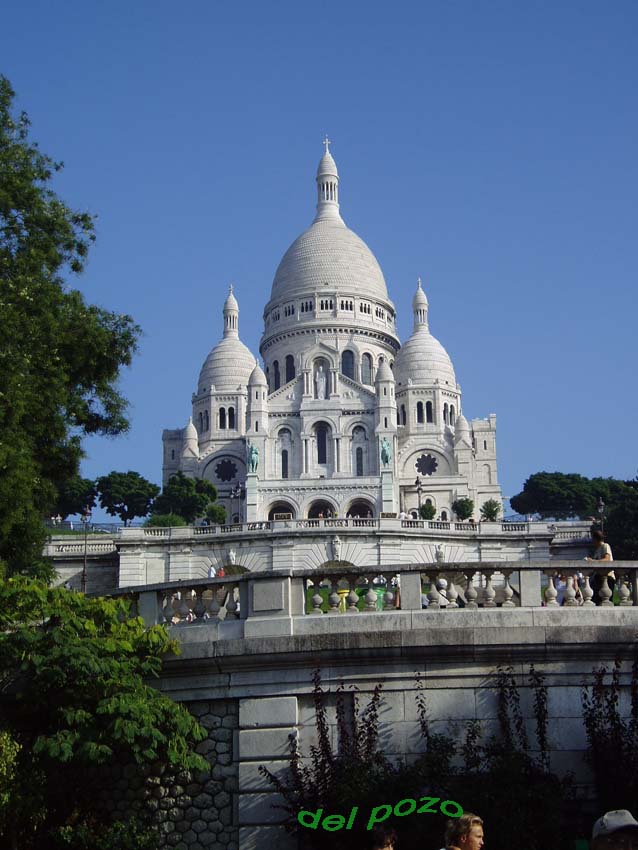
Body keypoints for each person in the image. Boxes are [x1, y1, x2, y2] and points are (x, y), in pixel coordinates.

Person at [585, 529, 615, 604]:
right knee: (596, 601)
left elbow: (607, 559)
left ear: (596, 539)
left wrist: (593, 561)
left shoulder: (605, 546)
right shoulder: (597, 550)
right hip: (598, 578)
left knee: (606, 600)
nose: (592, 542)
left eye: (593, 539)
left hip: (607, 577)